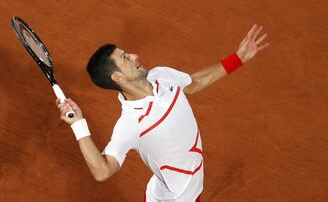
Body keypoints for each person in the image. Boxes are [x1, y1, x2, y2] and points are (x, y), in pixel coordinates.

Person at [57, 24, 269, 202]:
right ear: (117, 77)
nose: (135, 56)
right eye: (126, 58)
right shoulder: (131, 123)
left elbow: (193, 83)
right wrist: (79, 124)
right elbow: (102, 171)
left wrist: (238, 58)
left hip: (182, 192)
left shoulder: (162, 75)